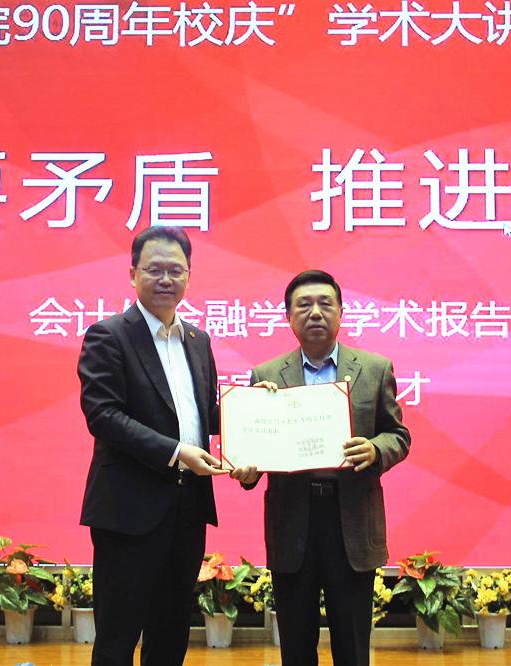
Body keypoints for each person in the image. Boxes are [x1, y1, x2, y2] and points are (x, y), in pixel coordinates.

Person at [231, 269, 411, 666]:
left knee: (352, 645)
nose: (315, 312)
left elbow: (398, 435)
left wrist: (376, 449)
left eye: (325, 303)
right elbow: (254, 447)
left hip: (352, 519)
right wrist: (247, 467)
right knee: (296, 644)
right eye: (304, 305)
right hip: (292, 520)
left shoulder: (375, 369)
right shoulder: (266, 376)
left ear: (341, 312)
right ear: (288, 317)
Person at [78, 226, 226, 666]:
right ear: (133, 274)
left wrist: (258, 415)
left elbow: (206, 415)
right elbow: (103, 416)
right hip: (128, 512)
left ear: (189, 276)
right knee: (117, 638)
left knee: (170, 633)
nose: (166, 279)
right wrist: (176, 452)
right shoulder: (109, 336)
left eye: (175, 270)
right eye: (154, 269)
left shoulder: (198, 341)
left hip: (187, 509)